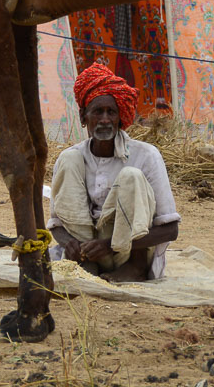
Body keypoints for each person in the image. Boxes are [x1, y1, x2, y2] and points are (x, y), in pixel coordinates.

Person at [47, 62, 180, 281]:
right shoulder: (71, 158)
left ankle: (135, 268)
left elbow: (170, 230)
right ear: (83, 117)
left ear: (121, 118)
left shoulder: (146, 155)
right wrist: (70, 244)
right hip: (89, 251)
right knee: (68, 159)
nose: (105, 120)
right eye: (97, 112)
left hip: (125, 252)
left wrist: (110, 245)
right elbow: (56, 225)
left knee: (131, 176)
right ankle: (86, 264)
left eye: (112, 112)